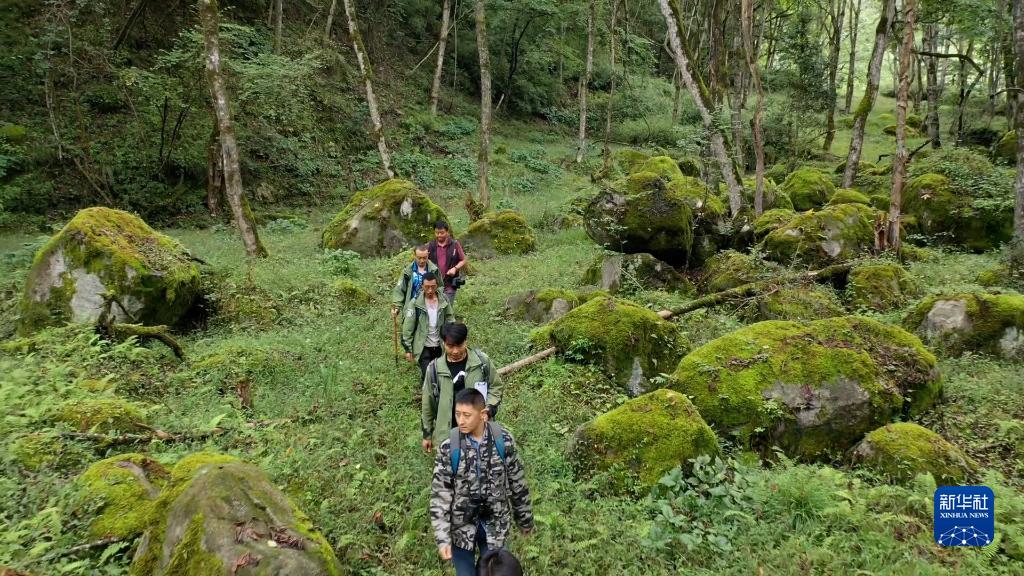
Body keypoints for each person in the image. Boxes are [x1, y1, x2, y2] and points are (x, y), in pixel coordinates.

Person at [430, 388, 533, 576]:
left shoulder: (503, 440)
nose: (461, 420)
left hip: (496, 525)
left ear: (483, 414)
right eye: (457, 414)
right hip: (461, 527)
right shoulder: (449, 447)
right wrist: (442, 538)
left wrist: (524, 520)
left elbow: (518, 483)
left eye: (467, 415)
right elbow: (440, 494)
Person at [421, 322, 503, 453]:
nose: (455, 351)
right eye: (450, 346)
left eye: (459, 345)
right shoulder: (434, 369)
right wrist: (427, 434)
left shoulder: (481, 362)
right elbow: (427, 404)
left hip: (479, 428)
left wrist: (489, 409)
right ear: (443, 344)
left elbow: (496, 386)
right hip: (448, 432)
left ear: (466, 341)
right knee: (452, 468)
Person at [402, 272, 455, 384]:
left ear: (437, 286)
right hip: (423, 346)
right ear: (422, 286)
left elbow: (450, 319)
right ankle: (427, 393)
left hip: (440, 345)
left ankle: (433, 392)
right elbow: (408, 327)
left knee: (439, 373)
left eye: (433, 287)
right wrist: (408, 349)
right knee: (429, 374)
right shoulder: (415, 302)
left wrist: (453, 339)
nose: (430, 290)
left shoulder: (444, 300)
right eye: (427, 287)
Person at [392, 244, 439, 318]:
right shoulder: (407, 271)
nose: (422, 261)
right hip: (411, 307)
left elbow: (440, 287)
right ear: (414, 256)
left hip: (428, 307)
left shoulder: (434, 270)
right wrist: (397, 307)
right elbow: (400, 289)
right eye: (419, 258)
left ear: (428, 255)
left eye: (424, 258)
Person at [428, 221, 467, 306]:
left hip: (449, 283)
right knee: (435, 309)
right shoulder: (431, 245)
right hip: (434, 284)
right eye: (437, 233)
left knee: (447, 309)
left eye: (441, 233)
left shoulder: (454, 244)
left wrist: (455, 268)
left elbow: (463, 260)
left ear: (447, 232)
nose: (439, 235)